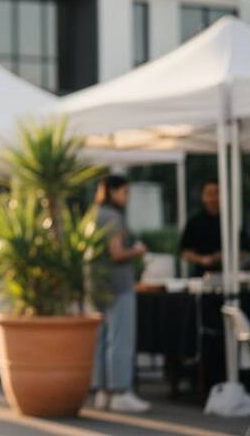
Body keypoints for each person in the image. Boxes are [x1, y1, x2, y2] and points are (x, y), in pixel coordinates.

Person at [91, 175, 151, 413]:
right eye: (125, 192)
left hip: (97, 285)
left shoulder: (94, 215)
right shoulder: (113, 217)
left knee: (102, 340)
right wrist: (137, 250)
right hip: (118, 284)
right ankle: (120, 392)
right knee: (120, 339)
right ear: (113, 192)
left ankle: (103, 392)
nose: (127, 198)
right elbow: (116, 253)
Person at [180, 179, 250, 277]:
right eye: (209, 193)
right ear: (203, 197)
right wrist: (203, 259)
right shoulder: (194, 222)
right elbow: (185, 251)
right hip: (202, 275)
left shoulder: (233, 220)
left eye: (217, 193)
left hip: (231, 275)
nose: (213, 198)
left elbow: (246, 249)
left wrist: (227, 256)